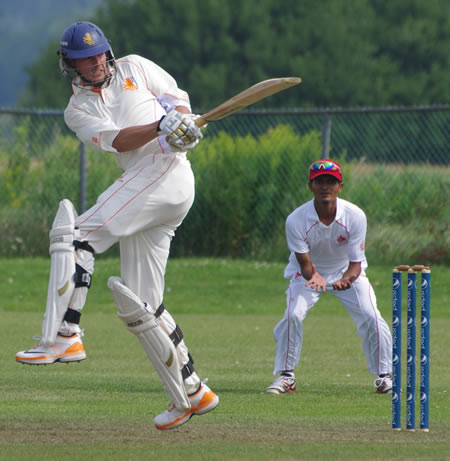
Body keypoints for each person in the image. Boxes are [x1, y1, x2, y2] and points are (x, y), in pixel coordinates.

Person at [16, 21, 219, 430]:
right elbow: (120, 141)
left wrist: (182, 126)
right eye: (83, 59)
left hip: (168, 171)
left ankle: (63, 335)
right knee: (143, 304)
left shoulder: (136, 67)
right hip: (144, 179)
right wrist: (160, 128)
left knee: (77, 236)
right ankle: (193, 391)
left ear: (107, 51)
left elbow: (176, 99)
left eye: (98, 54)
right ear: (70, 65)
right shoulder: (78, 110)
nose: (94, 63)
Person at [264, 159, 393, 395]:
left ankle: (384, 376)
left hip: (346, 271)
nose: (326, 186)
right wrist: (315, 277)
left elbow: (356, 264)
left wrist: (346, 280)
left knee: (371, 316)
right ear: (310, 186)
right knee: (293, 315)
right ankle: (286, 377)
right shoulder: (296, 219)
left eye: (331, 182)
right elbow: (304, 264)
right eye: (320, 181)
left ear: (340, 186)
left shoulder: (354, 216)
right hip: (307, 273)